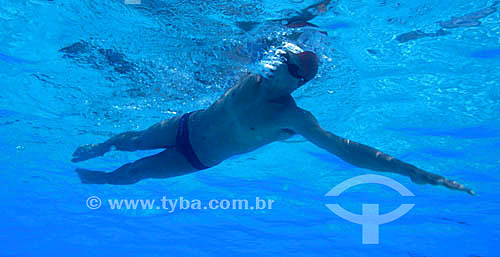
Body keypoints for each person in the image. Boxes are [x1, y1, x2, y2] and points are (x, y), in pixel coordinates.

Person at [72, 48, 474, 195]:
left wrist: (410, 171)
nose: (278, 64)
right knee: (128, 140)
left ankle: (92, 180)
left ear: (298, 79)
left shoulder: (293, 117)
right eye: (281, 57)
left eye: (289, 64)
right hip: (183, 125)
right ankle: (100, 147)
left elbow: (347, 150)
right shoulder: (251, 75)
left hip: (197, 156)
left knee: (131, 174)